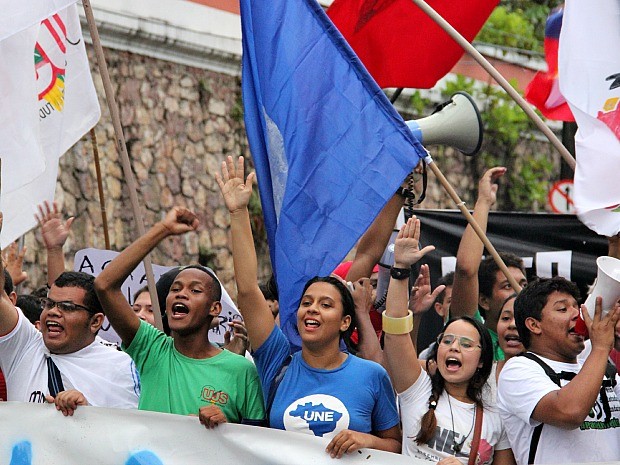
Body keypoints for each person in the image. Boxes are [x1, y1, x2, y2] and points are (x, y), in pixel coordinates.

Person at [217, 156, 401, 458]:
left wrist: (366, 440)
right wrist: (238, 213)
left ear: (345, 322)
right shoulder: (277, 361)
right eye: (306, 303)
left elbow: (394, 444)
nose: (311, 309)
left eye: (325, 304)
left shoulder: (371, 375)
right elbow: (248, 290)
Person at [94, 207, 265, 428]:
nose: (181, 294)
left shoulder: (242, 371)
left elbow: (257, 443)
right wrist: (162, 229)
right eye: (175, 289)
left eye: (195, 290)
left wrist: (225, 428)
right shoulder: (151, 349)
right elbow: (104, 285)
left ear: (214, 308)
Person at [383, 216, 515, 465]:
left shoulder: (495, 414)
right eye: (448, 341)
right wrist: (400, 268)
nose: (454, 347)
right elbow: (395, 333)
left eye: (466, 344)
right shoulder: (417, 389)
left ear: (480, 361)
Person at [0, 221, 140, 415]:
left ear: (95, 322)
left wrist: (85, 413)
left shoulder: (119, 367)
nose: (53, 312)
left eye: (67, 307)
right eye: (49, 304)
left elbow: (128, 435)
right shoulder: (24, 346)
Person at [497, 277, 620, 464]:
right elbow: (570, 412)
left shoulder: (604, 371)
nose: (577, 315)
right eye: (562, 309)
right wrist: (601, 348)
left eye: (576, 307)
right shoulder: (518, 370)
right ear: (534, 325)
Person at [450, 167, 527, 361]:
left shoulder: (538, 340)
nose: (519, 291)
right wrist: (484, 202)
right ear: (484, 301)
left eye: (523, 284)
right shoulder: (476, 338)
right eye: (507, 285)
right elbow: (466, 269)